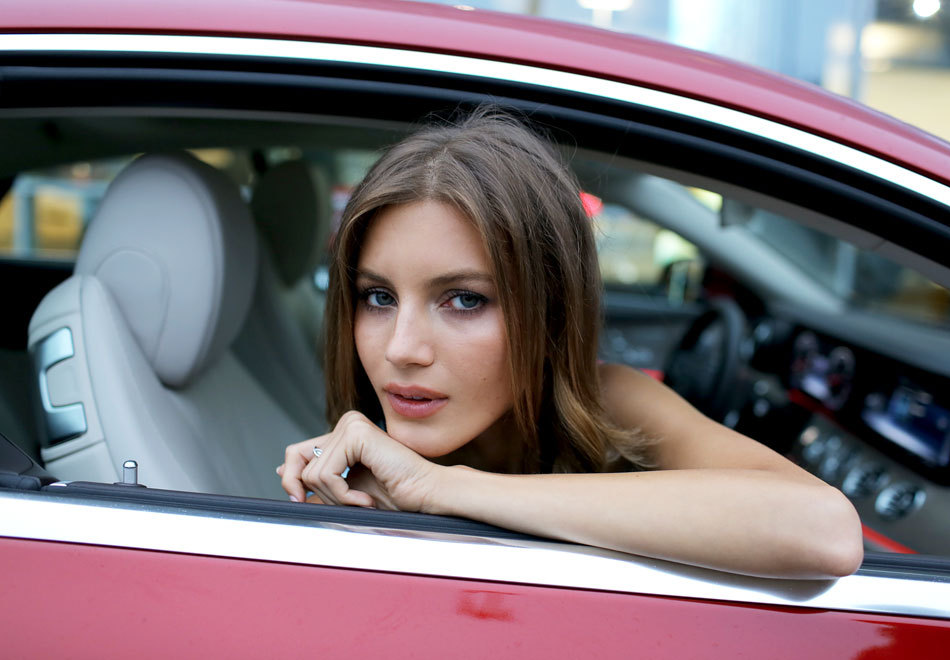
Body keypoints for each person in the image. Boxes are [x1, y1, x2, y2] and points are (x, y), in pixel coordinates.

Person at [277, 108, 863, 579]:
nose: (402, 349)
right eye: (378, 297)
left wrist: (439, 489)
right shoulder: (342, 488)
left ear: (552, 310)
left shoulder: (612, 402)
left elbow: (823, 529)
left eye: (465, 300)